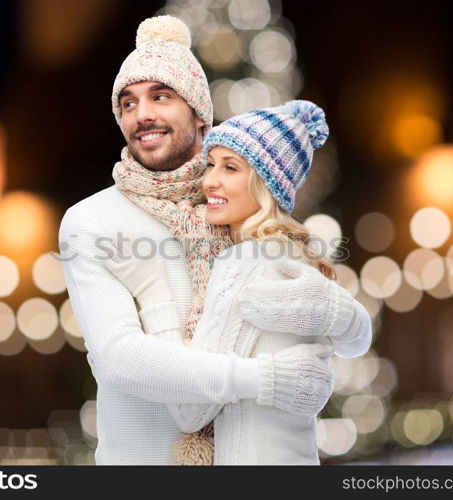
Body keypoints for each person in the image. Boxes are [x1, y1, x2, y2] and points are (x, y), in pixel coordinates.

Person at [59, 15, 346, 465]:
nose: (143, 115)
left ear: (198, 110)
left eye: (161, 96)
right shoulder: (92, 221)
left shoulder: (237, 201)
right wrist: (265, 379)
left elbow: (307, 319)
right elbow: (120, 357)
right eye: (128, 104)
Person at [104, 100, 373, 465]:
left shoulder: (245, 263)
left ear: (266, 184)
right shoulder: (295, 260)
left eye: (230, 168)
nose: (210, 179)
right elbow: (357, 337)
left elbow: (190, 410)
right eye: (211, 163)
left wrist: (156, 300)